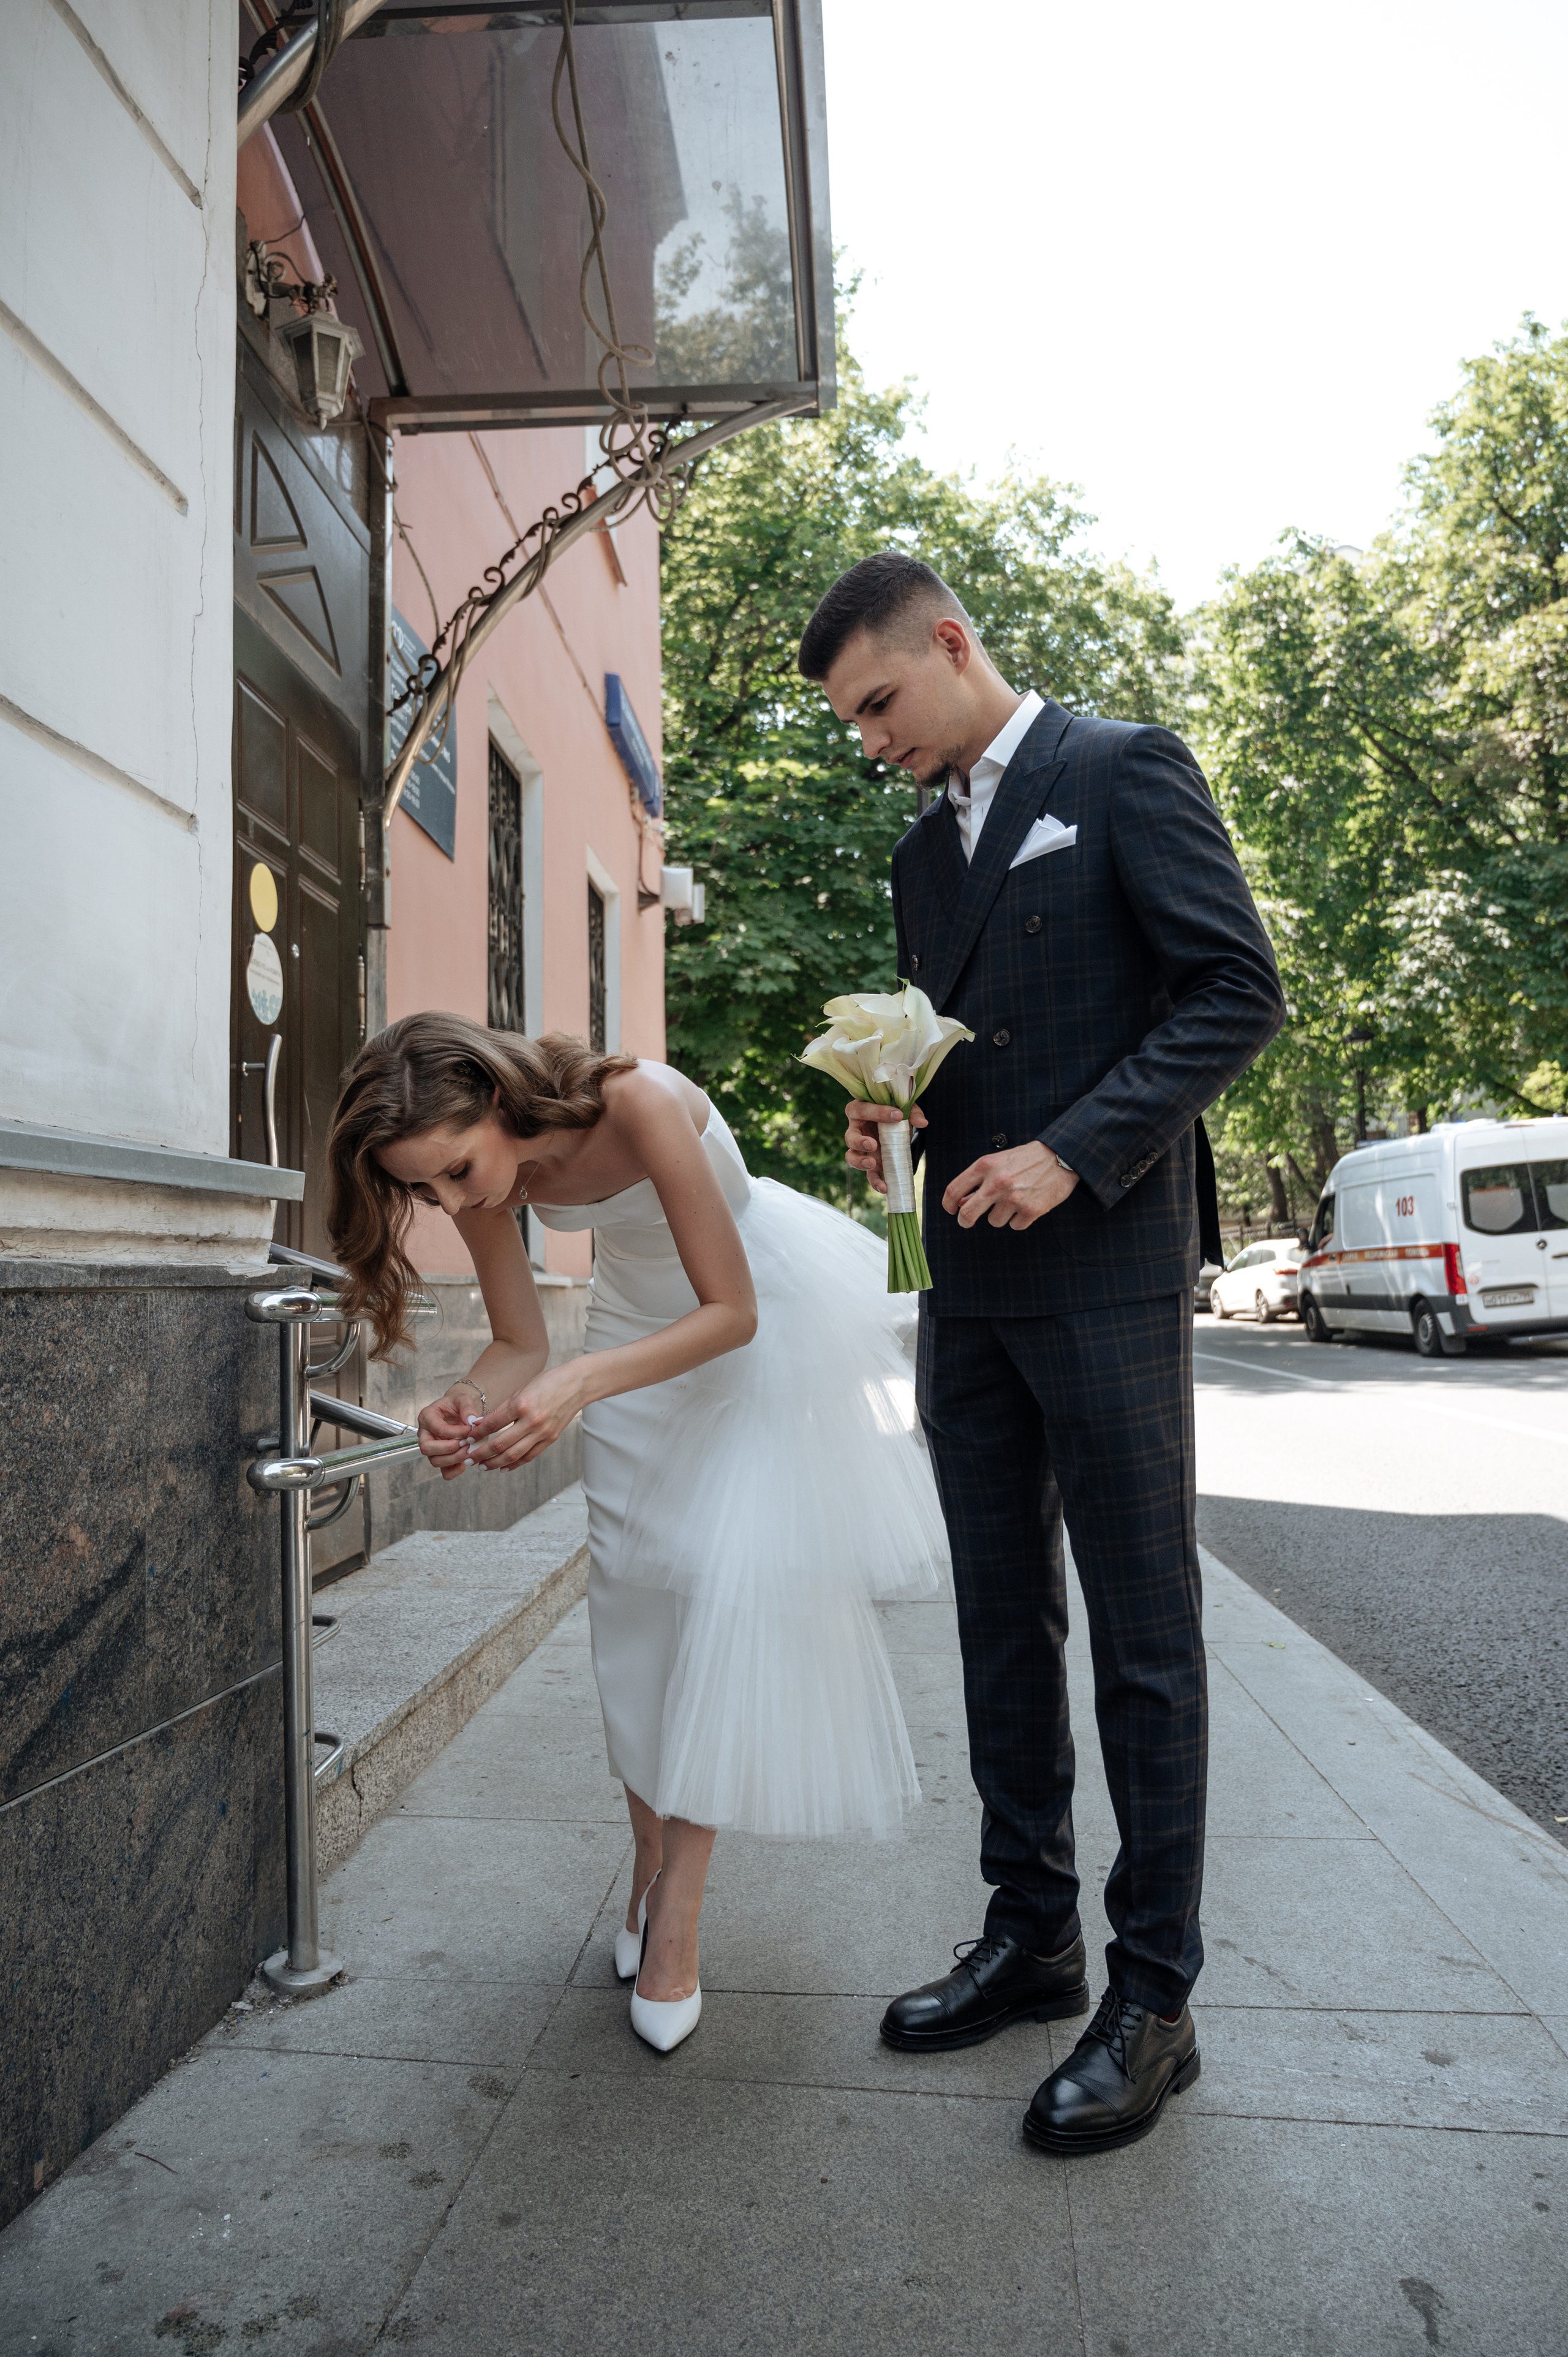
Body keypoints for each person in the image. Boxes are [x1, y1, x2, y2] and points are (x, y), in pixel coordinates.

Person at [798, 553, 1286, 2156]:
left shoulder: (1119, 769)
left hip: (1108, 1273)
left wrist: (1077, 1149)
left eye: (880, 703)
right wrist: (896, 1111)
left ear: (951, 644)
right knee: (1002, 1619)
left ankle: (1155, 1999)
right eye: (851, 721)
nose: (871, 740)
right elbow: (952, 1039)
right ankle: (1036, 1936)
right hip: (968, 1290)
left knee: (1145, 1638)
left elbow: (1235, 990)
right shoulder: (915, 852)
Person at [326, 1013, 947, 2056]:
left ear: (494, 1098)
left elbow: (730, 1312)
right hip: (623, 1348)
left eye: (454, 1172)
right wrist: (465, 1400)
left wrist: (574, 1384)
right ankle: (646, 1869)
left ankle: (678, 1921)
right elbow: (523, 1339)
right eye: (423, 1190)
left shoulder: (639, 1101)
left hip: (742, 1343)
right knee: (631, 1626)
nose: (451, 1199)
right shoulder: (484, 1171)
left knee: (710, 1613)